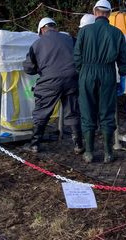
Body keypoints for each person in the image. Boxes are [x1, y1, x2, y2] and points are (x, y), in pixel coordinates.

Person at [74, 0, 126, 163]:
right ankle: (108, 153)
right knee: (107, 113)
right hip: (107, 73)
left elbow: (76, 56)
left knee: (87, 112)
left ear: (94, 11)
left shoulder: (84, 31)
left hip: (87, 73)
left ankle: (89, 152)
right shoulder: (117, 33)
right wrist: (123, 78)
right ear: (110, 14)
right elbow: (123, 58)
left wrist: (82, 72)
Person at [23, 17, 84, 155]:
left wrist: (42, 68)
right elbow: (80, 57)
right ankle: (78, 144)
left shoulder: (37, 44)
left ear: (41, 30)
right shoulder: (70, 39)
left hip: (50, 82)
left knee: (42, 112)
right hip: (72, 79)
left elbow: (29, 69)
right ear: (54, 27)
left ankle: (34, 144)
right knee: (73, 111)